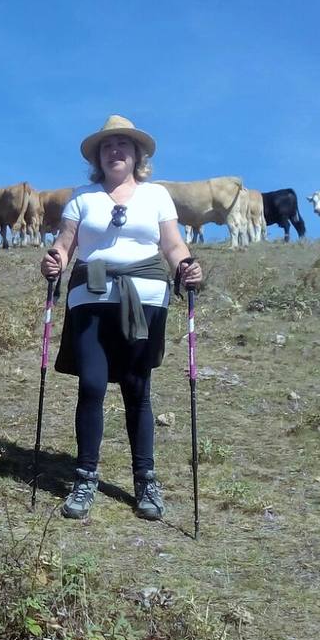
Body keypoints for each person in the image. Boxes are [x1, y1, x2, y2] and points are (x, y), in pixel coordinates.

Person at [40, 115, 202, 521]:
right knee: (92, 384)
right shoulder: (82, 197)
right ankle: (85, 477)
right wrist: (54, 261)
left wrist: (187, 267)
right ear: (98, 156)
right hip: (91, 296)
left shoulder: (156, 196)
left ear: (136, 155)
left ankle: (145, 479)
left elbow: (173, 244)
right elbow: (64, 245)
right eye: (108, 146)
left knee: (135, 385)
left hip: (144, 297)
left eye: (123, 146)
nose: (115, 151)